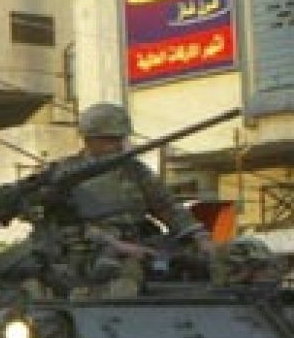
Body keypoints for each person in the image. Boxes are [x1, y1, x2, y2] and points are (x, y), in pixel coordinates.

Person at [19, 102, 212, 296]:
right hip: (89, 251)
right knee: (121, 281)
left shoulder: (134, 170)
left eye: (121, 138)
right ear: (89, 139)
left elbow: (167, 206)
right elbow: (59, 225)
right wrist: (114, 244)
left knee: (205, 264)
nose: (118, 145)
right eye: (110, 139)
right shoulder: (63, 175)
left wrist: (199, 236)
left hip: (138, 245)